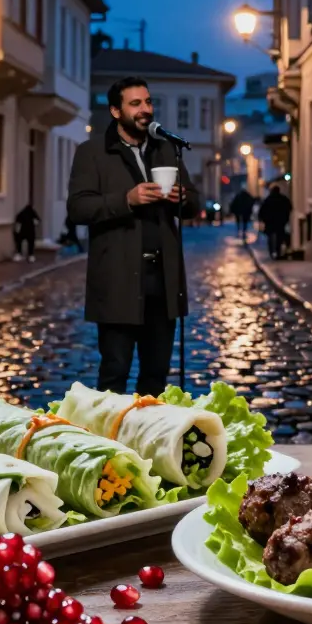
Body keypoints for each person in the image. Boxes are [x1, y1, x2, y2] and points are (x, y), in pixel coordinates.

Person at [67, 76, 199, 396]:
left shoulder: (167, 149)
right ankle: (110, 443)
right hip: (118, 281)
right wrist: (127, 199)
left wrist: (182, 198)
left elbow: (194, 203)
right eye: (136, 103)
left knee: (156, 375)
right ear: (116, 111)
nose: (145, 109)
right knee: (115, 372)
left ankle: (149, 441)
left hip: (163, 282)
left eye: (149, 102)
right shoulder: (92, 152)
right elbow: (78, 209)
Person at [260, 184, 292, 259]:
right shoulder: (283, 199)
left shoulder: (268, 199)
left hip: (270, 222)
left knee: (270, 237)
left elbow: (262, 211)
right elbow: (289, 207)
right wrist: (285, 217)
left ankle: (271, 252)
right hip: (280, 221)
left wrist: (264, 219)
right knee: (279, 238)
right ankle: (278, 252)